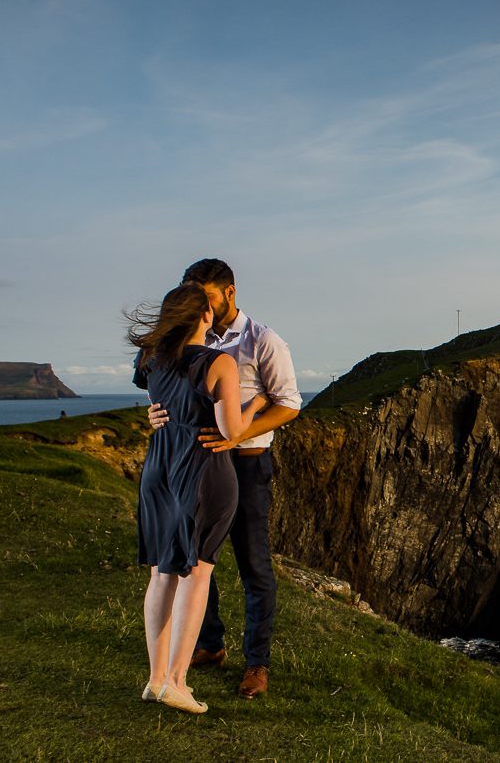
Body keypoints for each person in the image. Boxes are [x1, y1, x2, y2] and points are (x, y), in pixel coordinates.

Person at [147, 259, 301, 700]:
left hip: (248, 464)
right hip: (195, 465)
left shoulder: (264, 341)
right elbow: (167, 391)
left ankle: (257, 664)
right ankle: (210, 645)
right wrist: (155, 414)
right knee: (196, 559)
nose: (201, 305)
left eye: (207, 297)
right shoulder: (185, 340)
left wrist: (234, 433)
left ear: (229, 293)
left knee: (253, 564)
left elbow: (289, 404)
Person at [127, 282, 266, 714]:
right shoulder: (217, 362)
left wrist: (156, 413)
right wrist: (257, 401)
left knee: (161, 573)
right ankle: (178, 682)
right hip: (202, 469)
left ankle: (156, 679)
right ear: (205, 316)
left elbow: (156, 401)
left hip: (159, 467)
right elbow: (230, 432)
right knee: (197, 573)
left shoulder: (151, 359)